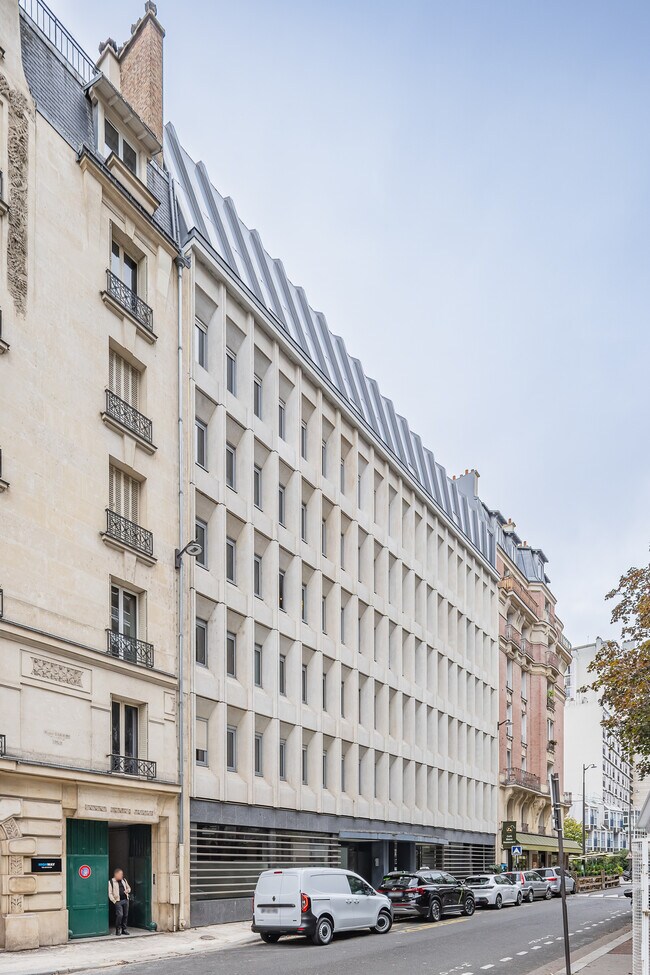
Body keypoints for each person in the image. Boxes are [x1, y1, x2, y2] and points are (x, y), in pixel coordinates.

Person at [108, 867, 131, 935]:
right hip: (118, 901)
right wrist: (114, 901)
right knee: (120, 915)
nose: (122, 876)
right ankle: (118, 929)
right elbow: (110, 893)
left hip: (125, 900)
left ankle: (124, 929)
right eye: (120, 874)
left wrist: (128, 890)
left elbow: (129, 888)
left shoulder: (124, 880)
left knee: (125, 915)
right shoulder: (111, 882)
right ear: (116, 875)